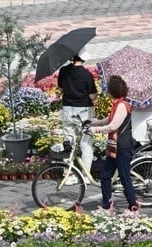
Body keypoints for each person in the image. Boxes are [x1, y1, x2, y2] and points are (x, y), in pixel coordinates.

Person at [90, 76, 140, 213]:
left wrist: (96, 130)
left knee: (125, 178)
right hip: (114, 146)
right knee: (105, 175)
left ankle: (133, 208)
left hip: (123, 146)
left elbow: (113, 126)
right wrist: (93, 122)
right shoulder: (117, 104)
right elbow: (109, 119)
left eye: (108, 88)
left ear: (112, 90)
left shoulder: (122, 105)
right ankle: (107, 206)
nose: (106, 91)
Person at [57, 54, 98, 185]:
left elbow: (60, 89)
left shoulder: (63, 71)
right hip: (84, 110)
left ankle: (68, 175)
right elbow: (92, 96)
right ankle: (86, 175)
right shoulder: (86, 75)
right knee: (86, 143)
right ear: (83, 58)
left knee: (68, 142)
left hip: (68, 108)